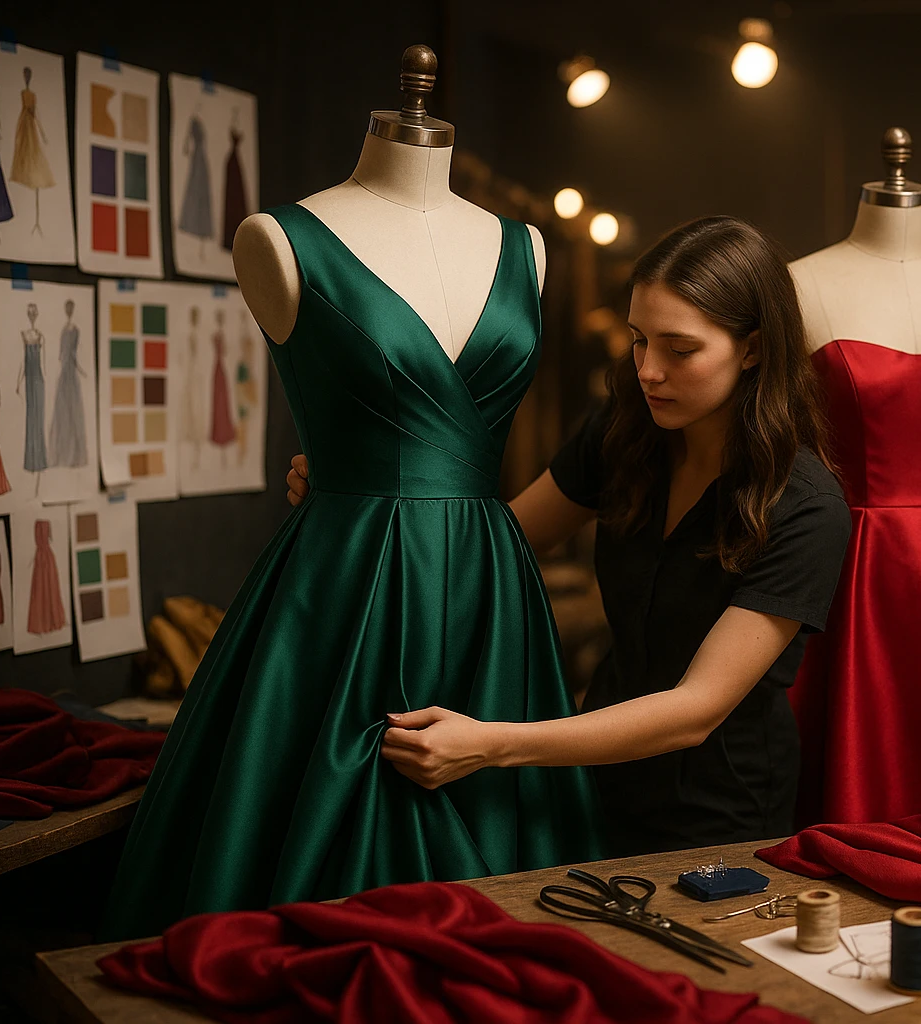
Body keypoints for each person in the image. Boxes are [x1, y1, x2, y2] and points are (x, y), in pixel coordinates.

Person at [288, 217, 852, 854]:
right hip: (593, 775)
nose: (649, 371)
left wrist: (492, 744)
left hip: (717, 807)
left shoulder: (806, 508)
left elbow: (695, 711)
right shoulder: (627, 431)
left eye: (680, 349)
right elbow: (494, 549)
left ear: (753, 349)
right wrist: (359, 495)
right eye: (639, 340)